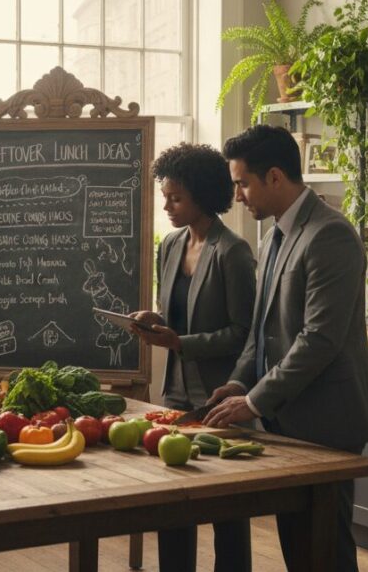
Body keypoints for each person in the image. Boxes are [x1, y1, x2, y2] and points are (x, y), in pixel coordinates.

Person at [204, 125, 368, 572]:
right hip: (287, 414)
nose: (238, 196)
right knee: (297, 545)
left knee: (325, 548)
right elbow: (261, 328)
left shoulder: (331, 235)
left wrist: (254, 400)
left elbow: (319, 339)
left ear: (276, 177)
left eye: (243, 183)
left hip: (328, 417)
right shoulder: (273, 236)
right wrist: (238, 382)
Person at [128, 143, 256, 572]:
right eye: (164, 195)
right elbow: (178, 314)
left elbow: (244, 333)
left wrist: (181, 343)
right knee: (173, 507)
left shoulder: (233, 251)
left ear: (202, 195)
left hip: (220, 399)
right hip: (175, 398)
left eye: (175, 197)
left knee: (227, 515)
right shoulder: (171, 243)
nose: (165, 205)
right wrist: (154, 319)